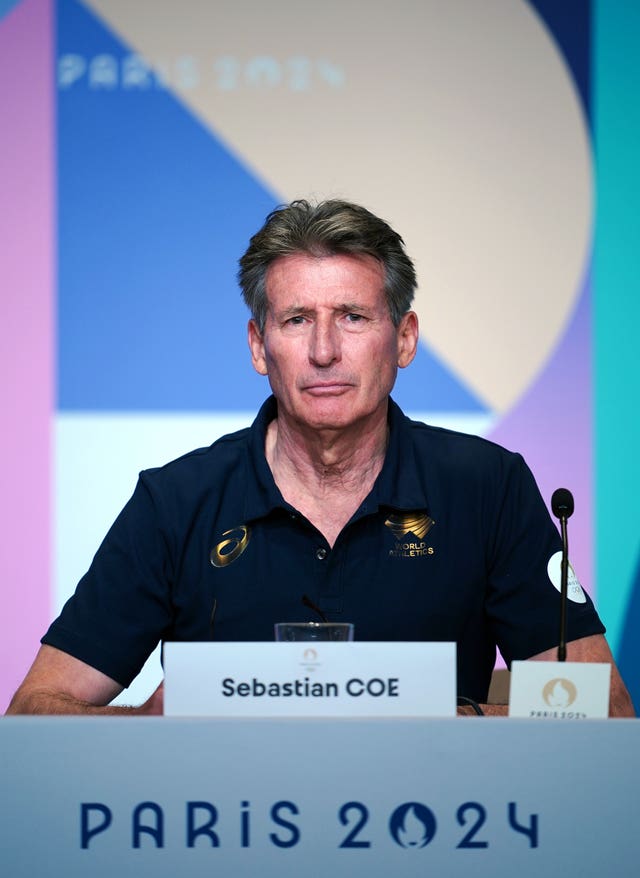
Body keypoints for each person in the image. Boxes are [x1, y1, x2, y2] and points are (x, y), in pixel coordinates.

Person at [6, 199, 634, 717]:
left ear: (405, 338)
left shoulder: (488, 486)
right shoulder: (176, 501)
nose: (325, 350)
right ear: (259, 345)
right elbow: (36, 710)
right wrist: (151, 731)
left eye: (353, 317)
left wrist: (437, 716)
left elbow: (601, 710)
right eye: (297, 319)